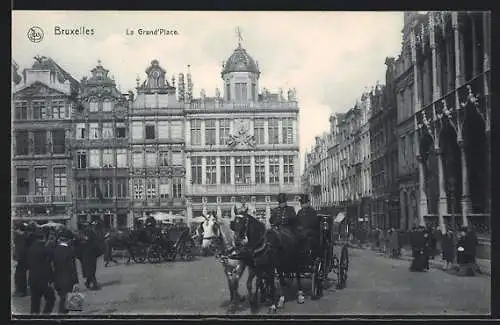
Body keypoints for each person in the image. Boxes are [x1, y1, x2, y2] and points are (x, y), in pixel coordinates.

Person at [26, 228, 55, 314]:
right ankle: (45, 315)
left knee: (35, 301)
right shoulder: (44, 249)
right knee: (51, 298)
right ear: (44, 237)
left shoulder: (30, 248)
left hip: (32, 278)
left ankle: (33, 318)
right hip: (43, 279)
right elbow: (48, 262)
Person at [51, 229, 79, 314]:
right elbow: (72, 268)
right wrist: (76, 282)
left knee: (63, 300)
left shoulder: (54, 250)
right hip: (68, 280)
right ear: (69, 240)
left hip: (57, 280)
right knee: (67, 303)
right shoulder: (70, 251)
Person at [296, 194, 321, 260]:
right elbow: (297, 221)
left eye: (304, 203)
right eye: (302, 203)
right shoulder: (299, 212)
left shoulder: (312, 212)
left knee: (306, 234)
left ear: (308, 203)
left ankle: (309, 252)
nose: (303, 205)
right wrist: (298, 227)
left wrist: (304, 227)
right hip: (301, 231)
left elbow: (314, 222)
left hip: (311, 231)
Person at [13, 223, 29, 297]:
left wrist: (16, 259)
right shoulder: (25, 237)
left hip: (20, 260)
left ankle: (21, 291)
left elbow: (20, 250)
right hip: (24, 259)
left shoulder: (20, 238)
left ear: (19, 229)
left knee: (19, 276)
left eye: (16, 229)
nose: (15, 230)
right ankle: (21, 290)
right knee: (21, 275)